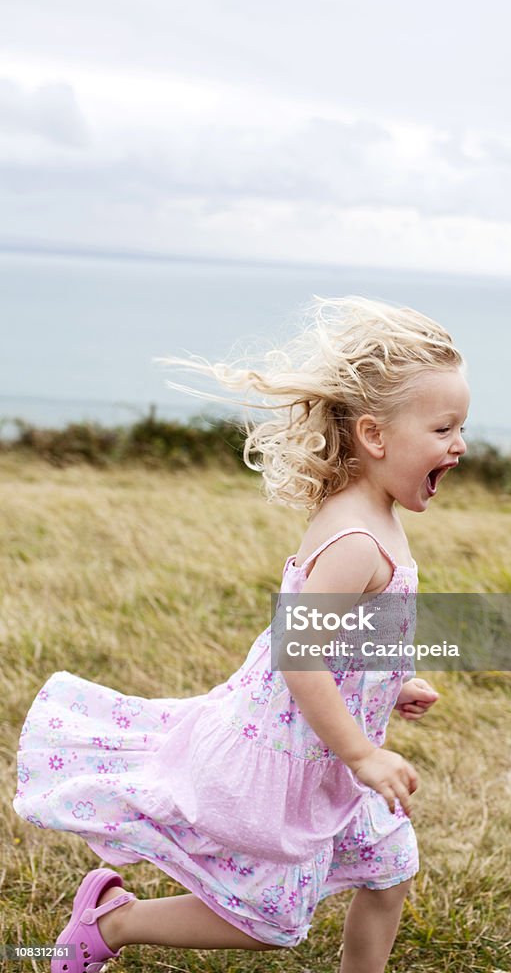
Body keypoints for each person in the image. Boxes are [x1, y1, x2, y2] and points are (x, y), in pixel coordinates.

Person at [13, 295, 470, 973]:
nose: (459, 446)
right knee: (268, 923)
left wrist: (388, 678)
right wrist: (361, 756)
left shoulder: (372, 515)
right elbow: (300, 652)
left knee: (387, 872)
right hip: (299, 759)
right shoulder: (354, 538)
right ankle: (113, 922)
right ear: (375, 436)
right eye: (443, 429)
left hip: (333, 759)